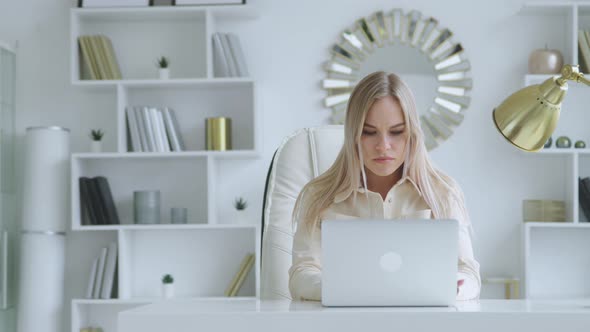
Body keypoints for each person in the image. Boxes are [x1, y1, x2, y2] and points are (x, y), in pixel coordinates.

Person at [288, 71, 481, 302]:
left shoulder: (443, 193)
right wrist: (337, 289)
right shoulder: (318, 196)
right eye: (369, 133)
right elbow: (301, 275)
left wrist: (454, 287)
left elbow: (469, 274)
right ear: (353, 135)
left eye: (397, 132)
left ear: (412, 134)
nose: (383, 146)